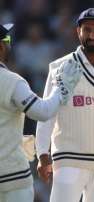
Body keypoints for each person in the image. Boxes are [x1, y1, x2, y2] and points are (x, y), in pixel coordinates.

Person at [35, 8, 94, 202]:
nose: (92, 35)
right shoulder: (60, 67)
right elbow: (47, 112)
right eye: (87, 30)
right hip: (68, 159)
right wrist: (42, 153)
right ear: (78, 32)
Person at [0, 23, 81, 202]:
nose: (9, 44)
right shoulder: (12, 81)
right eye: (7, 40)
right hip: (13, 178)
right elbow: (43, 112)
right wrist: (61, 87)